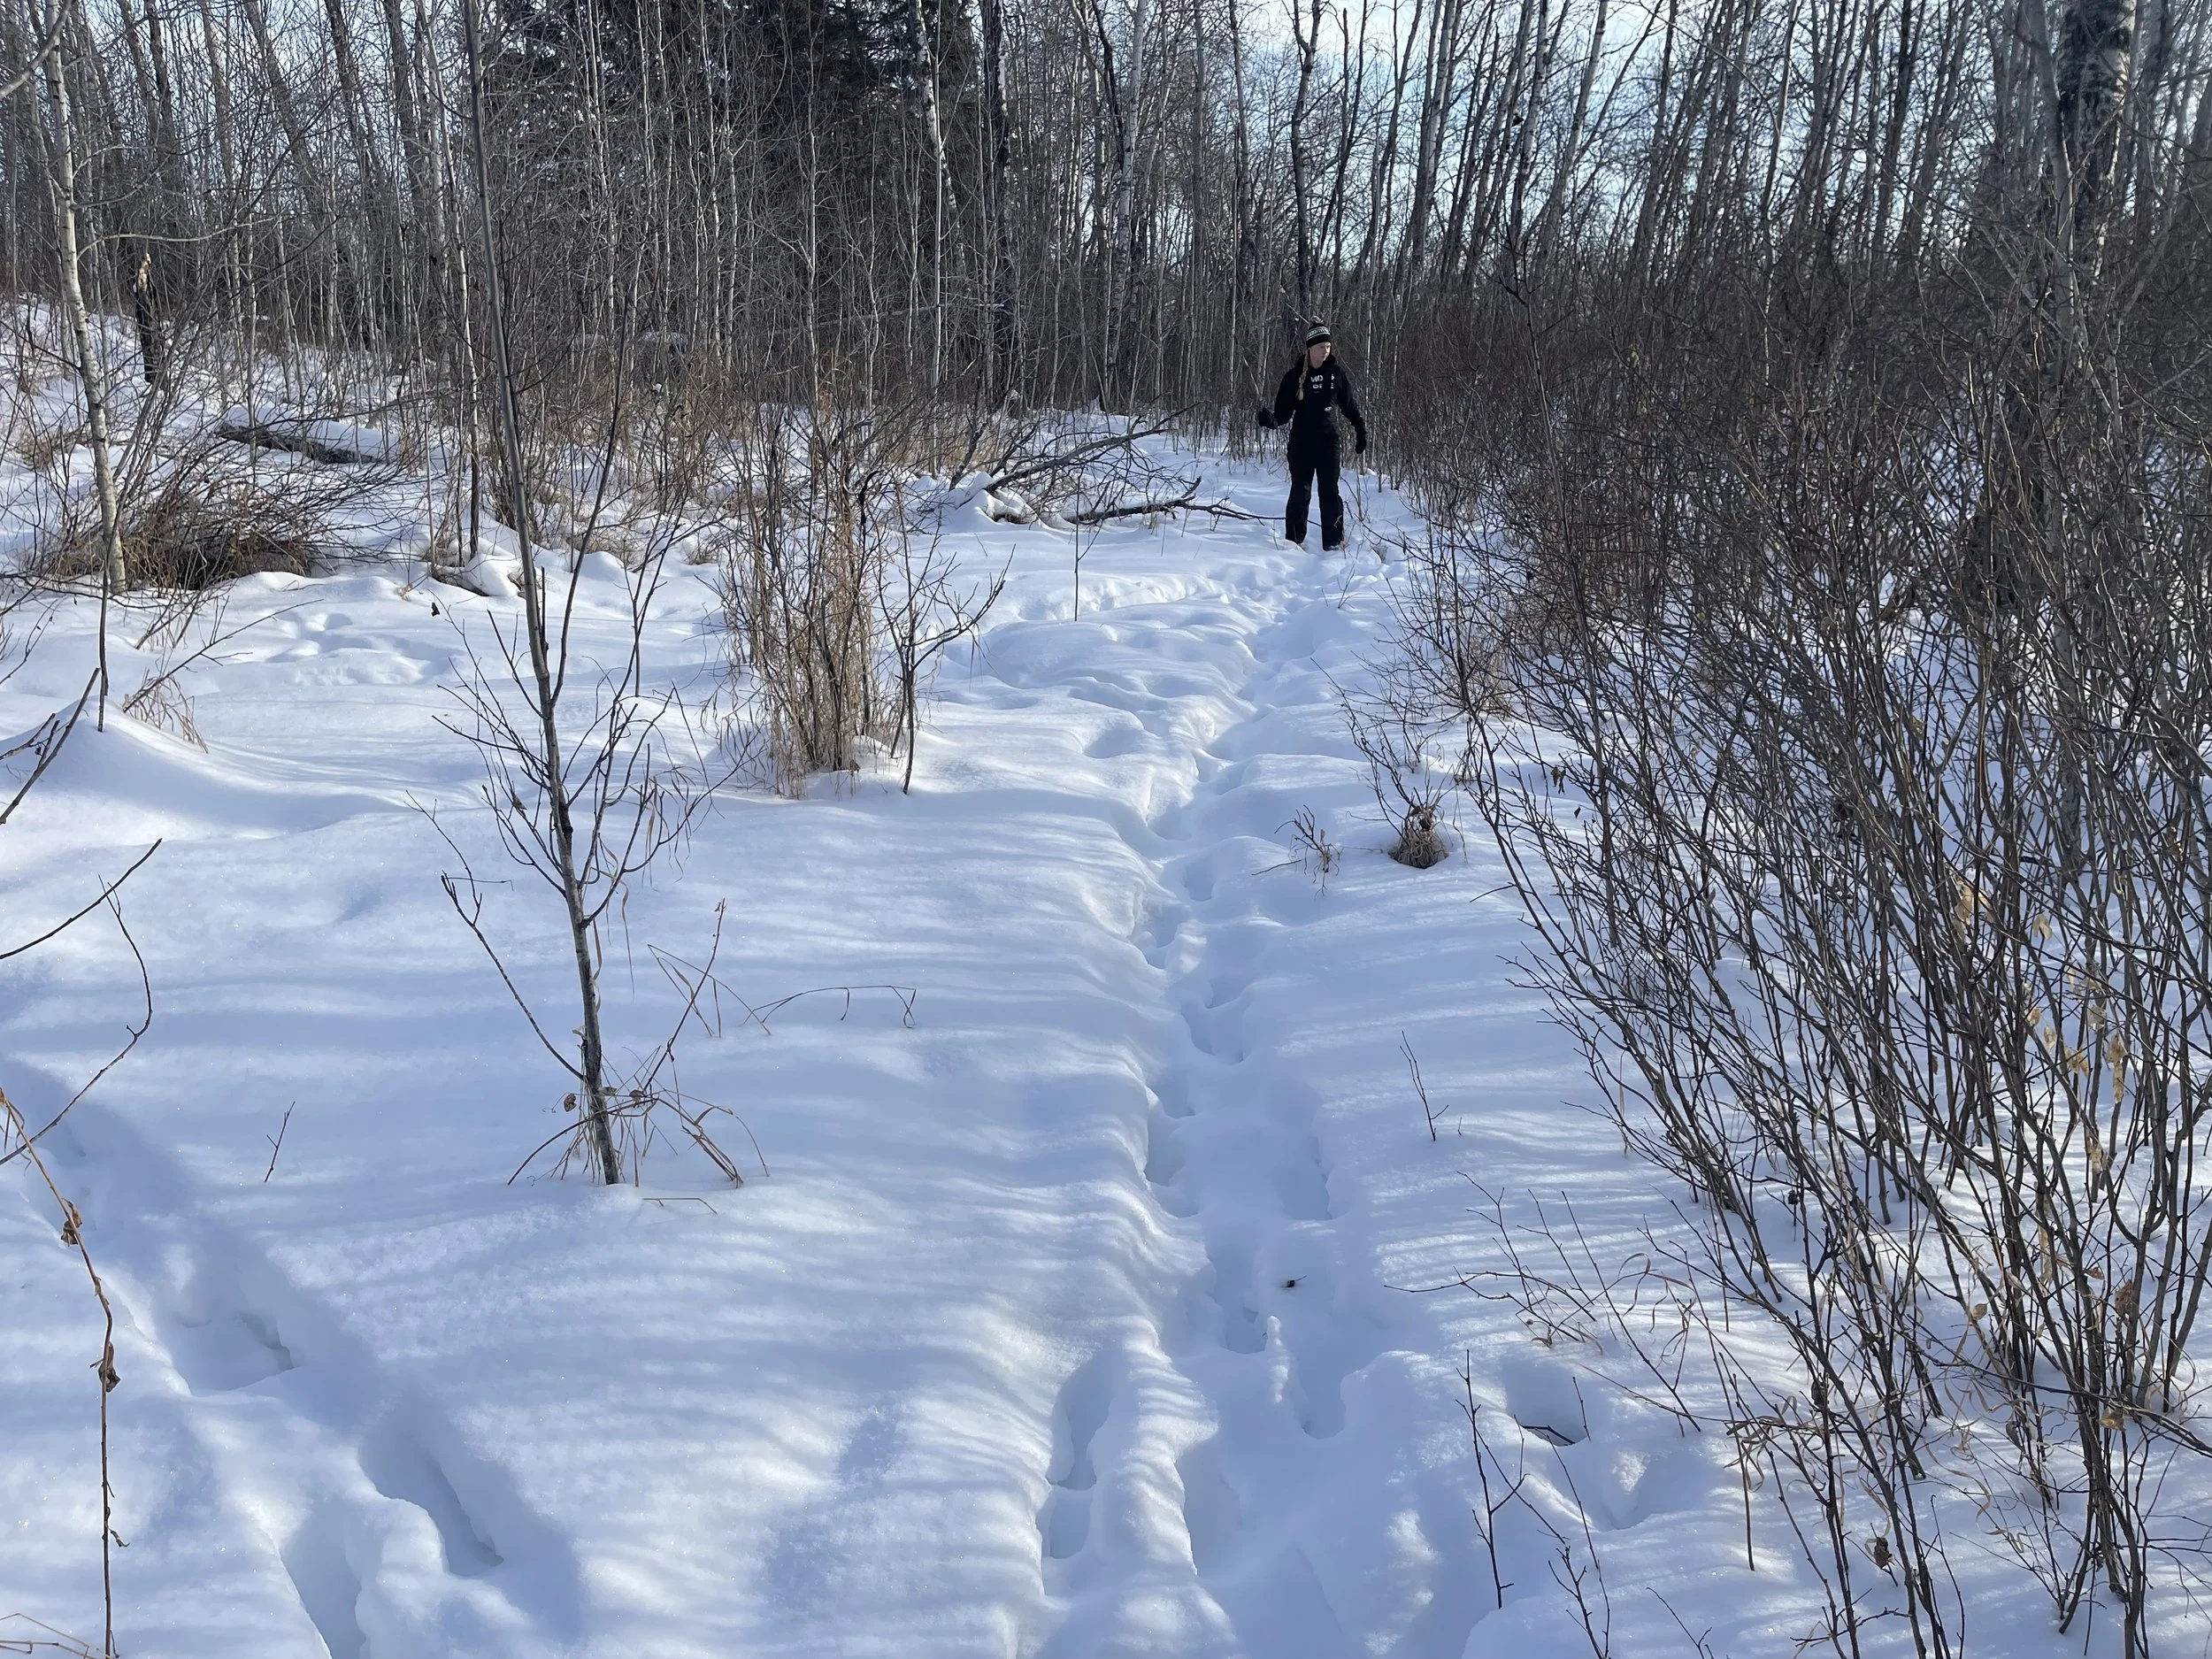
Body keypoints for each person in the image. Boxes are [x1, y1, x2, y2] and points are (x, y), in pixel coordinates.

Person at [1256, 322, 1367, 551]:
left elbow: (1350, 406)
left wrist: (1360, 430)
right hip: (1302, 444)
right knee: (1300, 491)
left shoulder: (1336, 374)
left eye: (1328, 346)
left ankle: (1334, 544)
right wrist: (1271, 420)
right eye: (1320, 347)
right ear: (1310, 348)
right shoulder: (1294, 377)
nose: (1325, 351)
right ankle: (1293, 544)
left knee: (1329, 492)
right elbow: (1283, 414)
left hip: (1329, 443)